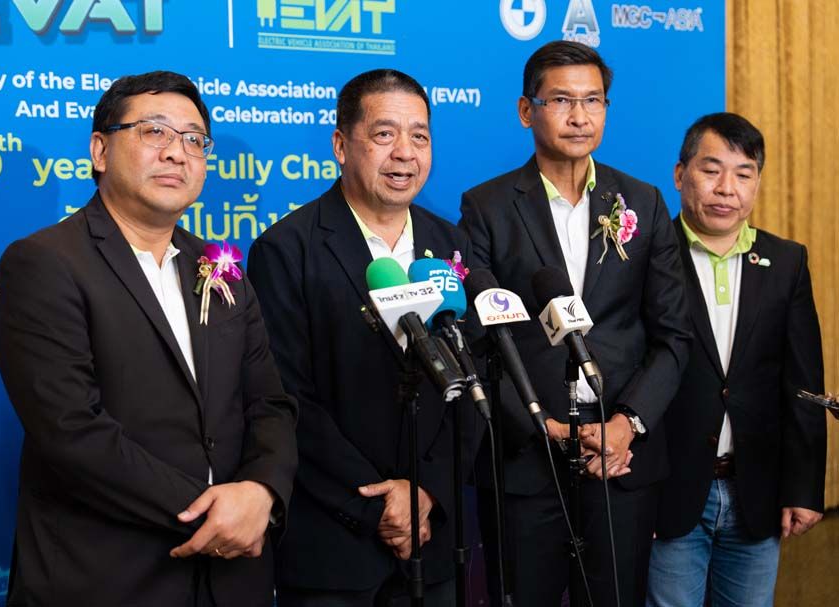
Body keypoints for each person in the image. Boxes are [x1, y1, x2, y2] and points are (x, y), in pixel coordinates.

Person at [0, 71, 297, 607]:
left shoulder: (221, 269)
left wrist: (261, 492)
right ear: (100, 150)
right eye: (155, 132)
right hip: (108, 577)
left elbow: (269, 403)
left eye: (194, 140)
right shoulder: (45, 263)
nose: (177, 153)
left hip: (232, 581)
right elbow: (71, 431)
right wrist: (216, 512)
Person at [459, 41, 692, 606]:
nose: (580, 116)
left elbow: (673, 335)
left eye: (593, 100)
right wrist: (539, 424)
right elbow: (480, 340)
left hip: (620, 460)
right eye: (561, 100)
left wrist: (627, 423)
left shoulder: (642, 203)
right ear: (526, 110)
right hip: (525, 458)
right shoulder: (486, 207)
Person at [247, 69, 479, 606]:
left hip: (434, 540)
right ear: (341, 145)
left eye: (419, 136)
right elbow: (287, 399)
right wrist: (381, 505)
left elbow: (475, 382)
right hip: (336, 545)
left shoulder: (452, 245)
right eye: (384, 134)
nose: (405, 153)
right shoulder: (287, 249)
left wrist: (427, 492)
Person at [646, 112, 826, 607]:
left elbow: (804, 383)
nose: (727, 188)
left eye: (744, 174)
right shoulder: (648, 257)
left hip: (756, 492)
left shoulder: (786, 261)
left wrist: (805, 487)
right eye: (711, 170)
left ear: (756, 183)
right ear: (680, 175)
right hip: (671, 493)